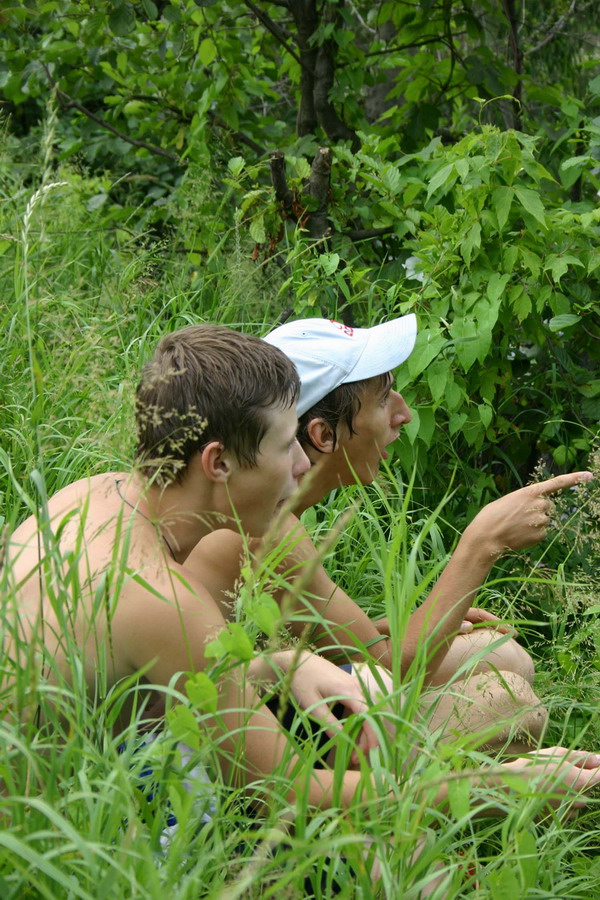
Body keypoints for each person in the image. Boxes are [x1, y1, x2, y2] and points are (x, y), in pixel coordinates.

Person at [5, 322, 600, 867]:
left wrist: (275, 663)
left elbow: (141, 687)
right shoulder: (161, 596)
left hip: (93, 785)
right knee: (390, 836)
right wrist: (501, 786)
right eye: (287, 443)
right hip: (72, 845)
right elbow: (291, 791)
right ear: (218, 463)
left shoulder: (91, 496)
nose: (300, 463)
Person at [188, 315, 594, 753]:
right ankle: (427, 785)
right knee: (510, 702)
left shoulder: (268, 514)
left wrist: (388, 626)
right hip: (218, 742)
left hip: (240, 698)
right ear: (322, 435)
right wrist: (482, 544)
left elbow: (352, 650)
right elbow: (389, 671)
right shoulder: (263, 529)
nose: (403, 414)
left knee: (501, 652)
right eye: (382, 400)